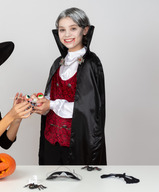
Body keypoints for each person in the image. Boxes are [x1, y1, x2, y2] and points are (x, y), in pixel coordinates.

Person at [34, 7, 106, 165]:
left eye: (73, 28)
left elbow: (88, 109)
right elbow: (51, 96)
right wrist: (39, 101)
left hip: (76, 143)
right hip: (51, 139)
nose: (67, 35)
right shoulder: (57, 63)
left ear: (85, 30)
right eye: (62, 29)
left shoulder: (91, 63)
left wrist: (51, 104)